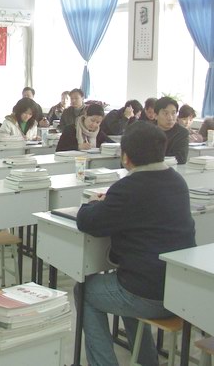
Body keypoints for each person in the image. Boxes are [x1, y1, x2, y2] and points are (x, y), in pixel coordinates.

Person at [75, 121, 195, 366]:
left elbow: (87, 222)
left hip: (147, 294)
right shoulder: (177, 182)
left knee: (84, 290)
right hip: (180, 291)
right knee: (125, 285)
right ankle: (147, 360)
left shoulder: (129, 188)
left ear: (125, 157)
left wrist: (94, 203)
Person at [155, 96, 189, 164]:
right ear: (156, 115)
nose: (170, 118)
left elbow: (181, 158)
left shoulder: (182, 133)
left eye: (173, 113)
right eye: (165, 113)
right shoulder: (147, 131)